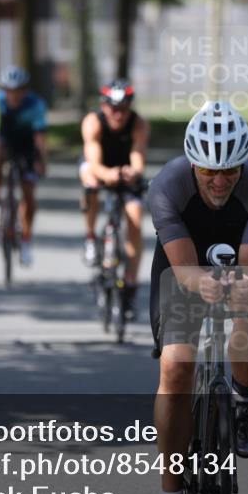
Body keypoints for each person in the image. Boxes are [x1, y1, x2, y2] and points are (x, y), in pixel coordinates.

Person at [148, 101, 248, 494]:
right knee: (176, 368)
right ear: (193, 164)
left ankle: (243, 403)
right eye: (209, 172)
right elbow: (184, 272)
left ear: (244, 165)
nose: (221, 181)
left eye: (230, 171)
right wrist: (201, 284)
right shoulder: (167, 186)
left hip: (238, 259)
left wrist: (242, 288)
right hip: (180, 266)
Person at [79, 79, 149, 319]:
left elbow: (138, 158)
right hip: (99, 168)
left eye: (124, 108)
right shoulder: (92, 122)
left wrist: (134, 174)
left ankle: (130, 285)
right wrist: (109, 175)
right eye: (113, 108)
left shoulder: (138, 124)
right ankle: (90, 237)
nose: (118, 114)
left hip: (125, 170)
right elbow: (94, 163)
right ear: (103, 105)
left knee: (136, 220)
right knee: (89, 184)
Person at [0, 66, 48, 266]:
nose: (13, 95)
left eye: (17, 90)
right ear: (4, 90)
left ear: (25, 90)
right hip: (3, 144)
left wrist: (42, 161)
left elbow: (40, 137)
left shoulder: (35, 104)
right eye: (9, 90)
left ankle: (25, 239)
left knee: (29, 194)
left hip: (26, 147)